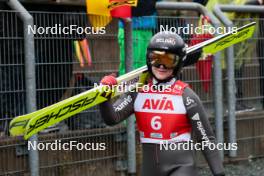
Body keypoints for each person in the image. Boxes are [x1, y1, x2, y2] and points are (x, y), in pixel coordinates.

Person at [99, 32, 225, 176]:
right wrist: (105, 97)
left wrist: (219, 173)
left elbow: (206, 138)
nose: (161, 66)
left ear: (179, 64)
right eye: (156, 58)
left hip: (182, 168)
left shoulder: (187, 96)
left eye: (169, 60)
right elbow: (112, 118)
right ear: (148, 58)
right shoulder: (137, 92)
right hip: (150, 169)